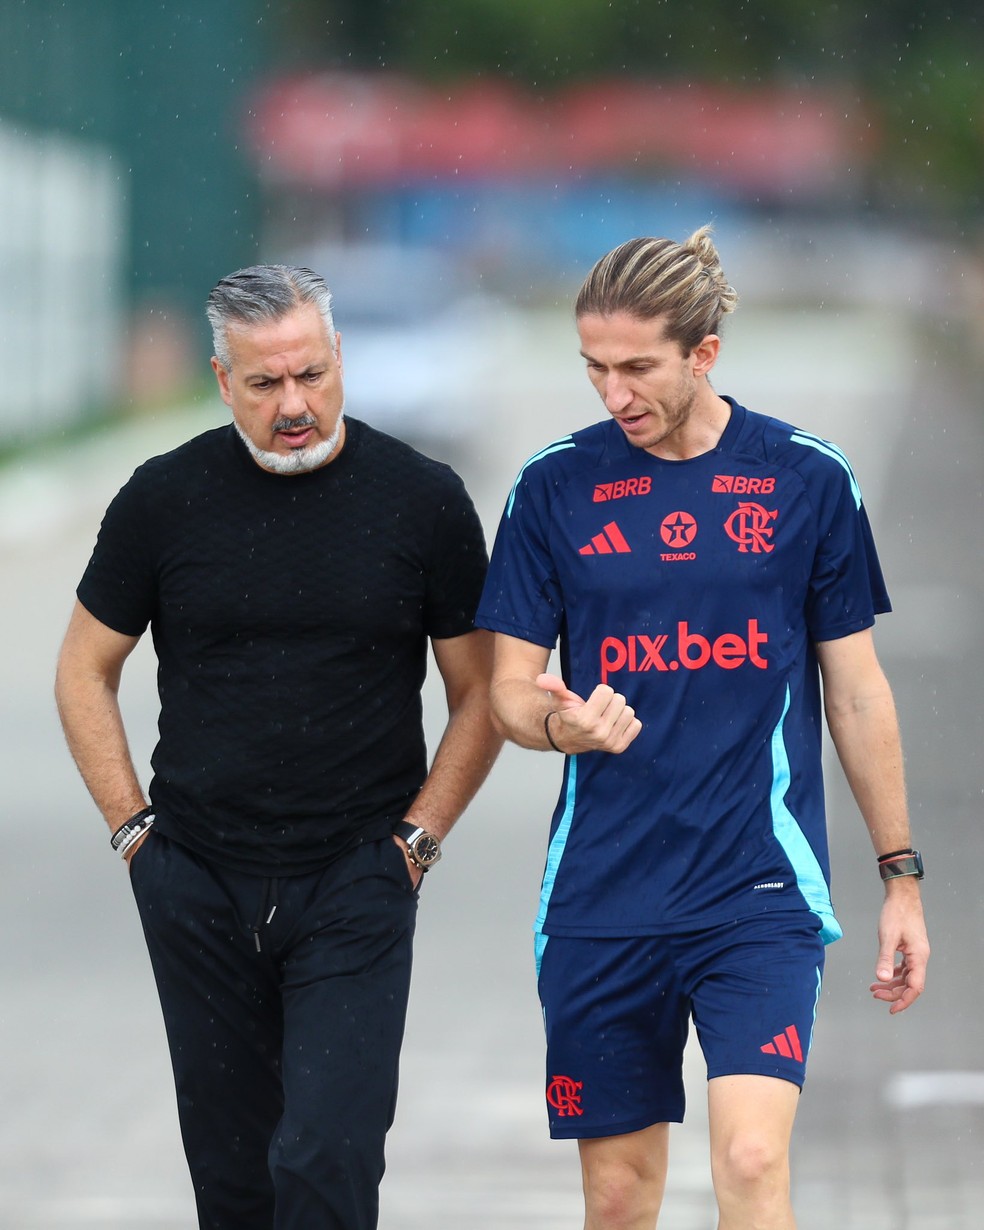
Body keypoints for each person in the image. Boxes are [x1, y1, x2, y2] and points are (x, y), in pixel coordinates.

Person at [475, 226, 929, 1230]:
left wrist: (901, 876)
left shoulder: (808, 478)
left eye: (637, 367)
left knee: (755, 1158)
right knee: (620, 1194)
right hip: (602, 893)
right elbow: (505, 692)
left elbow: (856, 693)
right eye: (594, 368)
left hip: (755, 889)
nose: (613, 393)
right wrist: (563, 728)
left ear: (704, 354)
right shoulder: (553, 487)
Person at [54, 263, 502, 1229]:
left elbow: (481, 695)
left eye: (311, 375)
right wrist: (135, 834)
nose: (293, 405)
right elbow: (83, 669)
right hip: (196, 881)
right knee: (234, 1180)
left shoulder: (422, 501)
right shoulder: (162, 499)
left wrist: (416, 844)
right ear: (223, 382)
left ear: (340, 359)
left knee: (327, 1159)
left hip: (357, 877)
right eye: (264, 384)